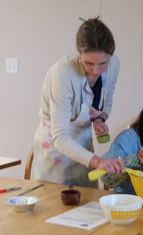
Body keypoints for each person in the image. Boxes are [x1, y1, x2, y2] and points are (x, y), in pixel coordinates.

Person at [32, 17, 124, 187]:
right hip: (55, 148)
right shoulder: (62, 75)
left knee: (86, 203)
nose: (96, 70)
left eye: (103, 63)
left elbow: (107, 102)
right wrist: (98, 161)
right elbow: (60, 137)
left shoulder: (114, 65)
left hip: (83, 147)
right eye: (88, 63)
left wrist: (99, 119)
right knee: (54, 204)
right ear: (79, 54)